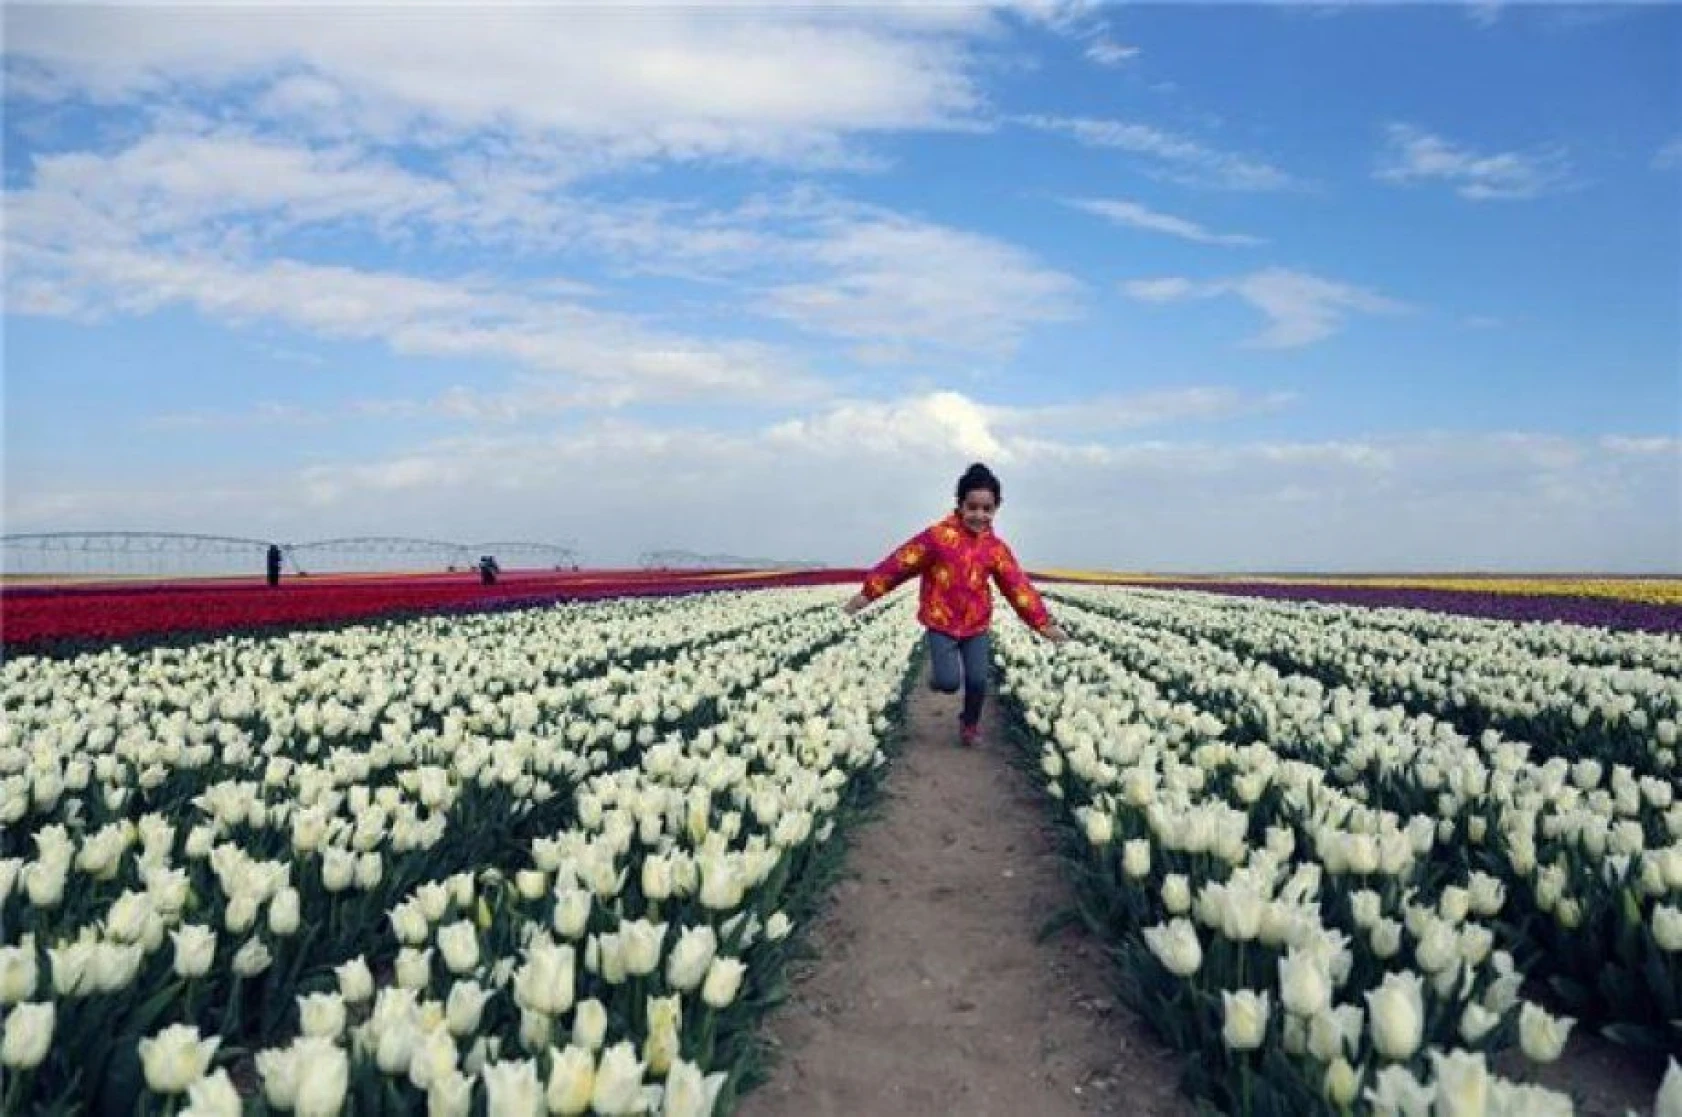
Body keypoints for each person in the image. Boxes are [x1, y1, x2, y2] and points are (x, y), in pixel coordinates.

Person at [844, 462, 1069, 747]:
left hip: (976, 624)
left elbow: (1017, 586)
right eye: (972, 507)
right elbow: (901, 562)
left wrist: (1043, 623)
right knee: (949, 682)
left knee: (977, 681)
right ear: (960, 505)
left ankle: (969, 725)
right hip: (942, 622)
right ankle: (939, 679)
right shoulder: (937, 538)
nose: (979, 515)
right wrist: (867, 594)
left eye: (987, 509)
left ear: (996, 508)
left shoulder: (996, 549)